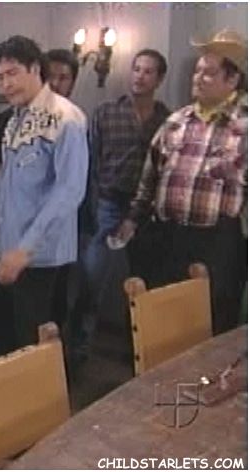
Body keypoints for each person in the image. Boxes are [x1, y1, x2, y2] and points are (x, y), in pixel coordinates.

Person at [0, 36, 88, 348]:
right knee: (5, 344)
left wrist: (25, 249)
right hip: (8, 250)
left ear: (35, 68)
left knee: (37, 349)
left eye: (12, 74)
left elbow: (69, 191)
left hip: (41, 260)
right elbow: (8, 179)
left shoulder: (66, 119)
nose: (5, 85)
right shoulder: (15, 119)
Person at [115, 29, 248, 335]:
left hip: (218, 243)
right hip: (168, 237)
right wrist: (133, 218)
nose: (198, 78)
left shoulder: (244, 126)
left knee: (212, 327)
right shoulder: (176, 121)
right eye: (197, 71)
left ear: (232, 80)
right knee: (165, 326)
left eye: (209, 73)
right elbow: (149, 178)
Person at [71, 49, 170, 365]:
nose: (140, 76)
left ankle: (140, 347)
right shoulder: (107, 113)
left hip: (146, 211)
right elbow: (90, 163)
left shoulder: (168, 121)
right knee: (92, 278)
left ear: (159, 79)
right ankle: (79, 347)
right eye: (136, 69)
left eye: (148, 71)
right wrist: (91, 207)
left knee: (144, 280)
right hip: (108, 203)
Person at [0, 48, 78, 169]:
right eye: (50, 76)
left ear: (72, 83)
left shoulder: (72, 122)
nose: (55, 83)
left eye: (63, 78)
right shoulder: (8, 118)